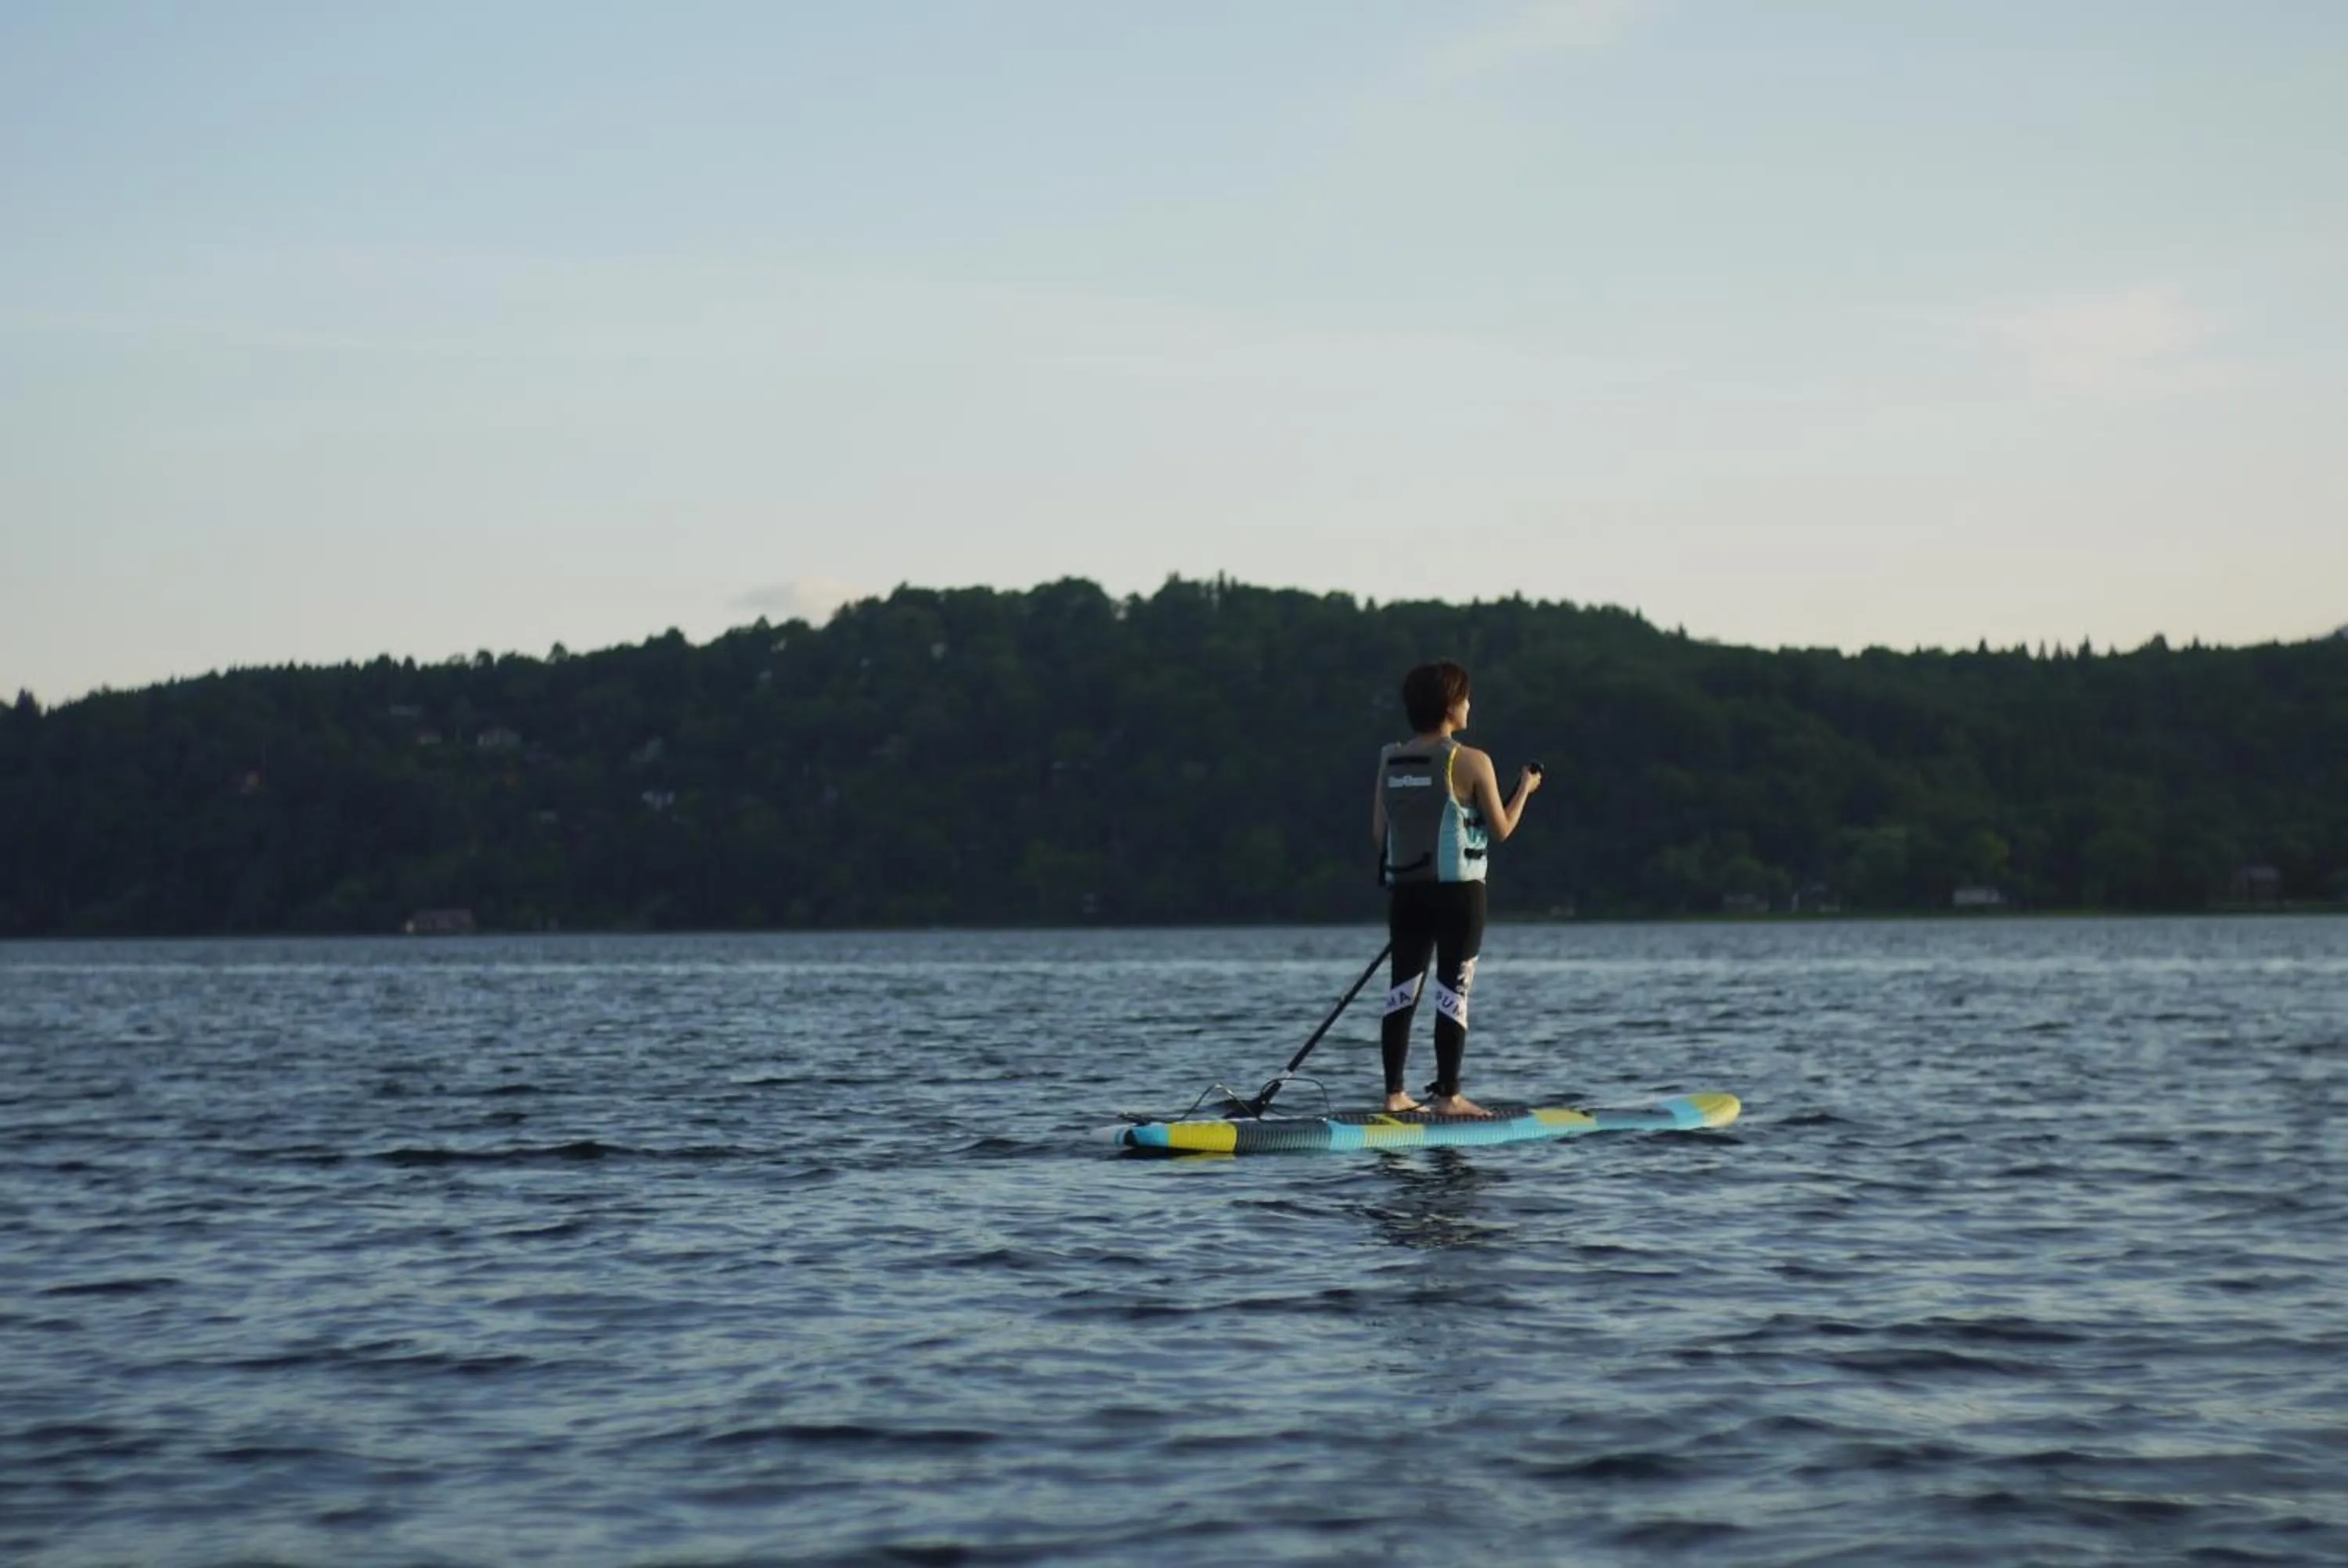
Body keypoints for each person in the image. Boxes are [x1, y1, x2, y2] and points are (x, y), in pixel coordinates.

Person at [1371, 660, 1541, 1117]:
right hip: (1459, 895)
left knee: (1402, 989)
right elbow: (1500, 829)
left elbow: (1379, 834)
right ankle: (1448, 1095)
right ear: (1450, 707)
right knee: (1453, 990)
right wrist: (1524, 788)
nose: (1470, 705)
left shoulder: (1391, 758)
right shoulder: (1470, 760)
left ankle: (1394, 1095)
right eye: (1465, 698)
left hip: (1407, 893)